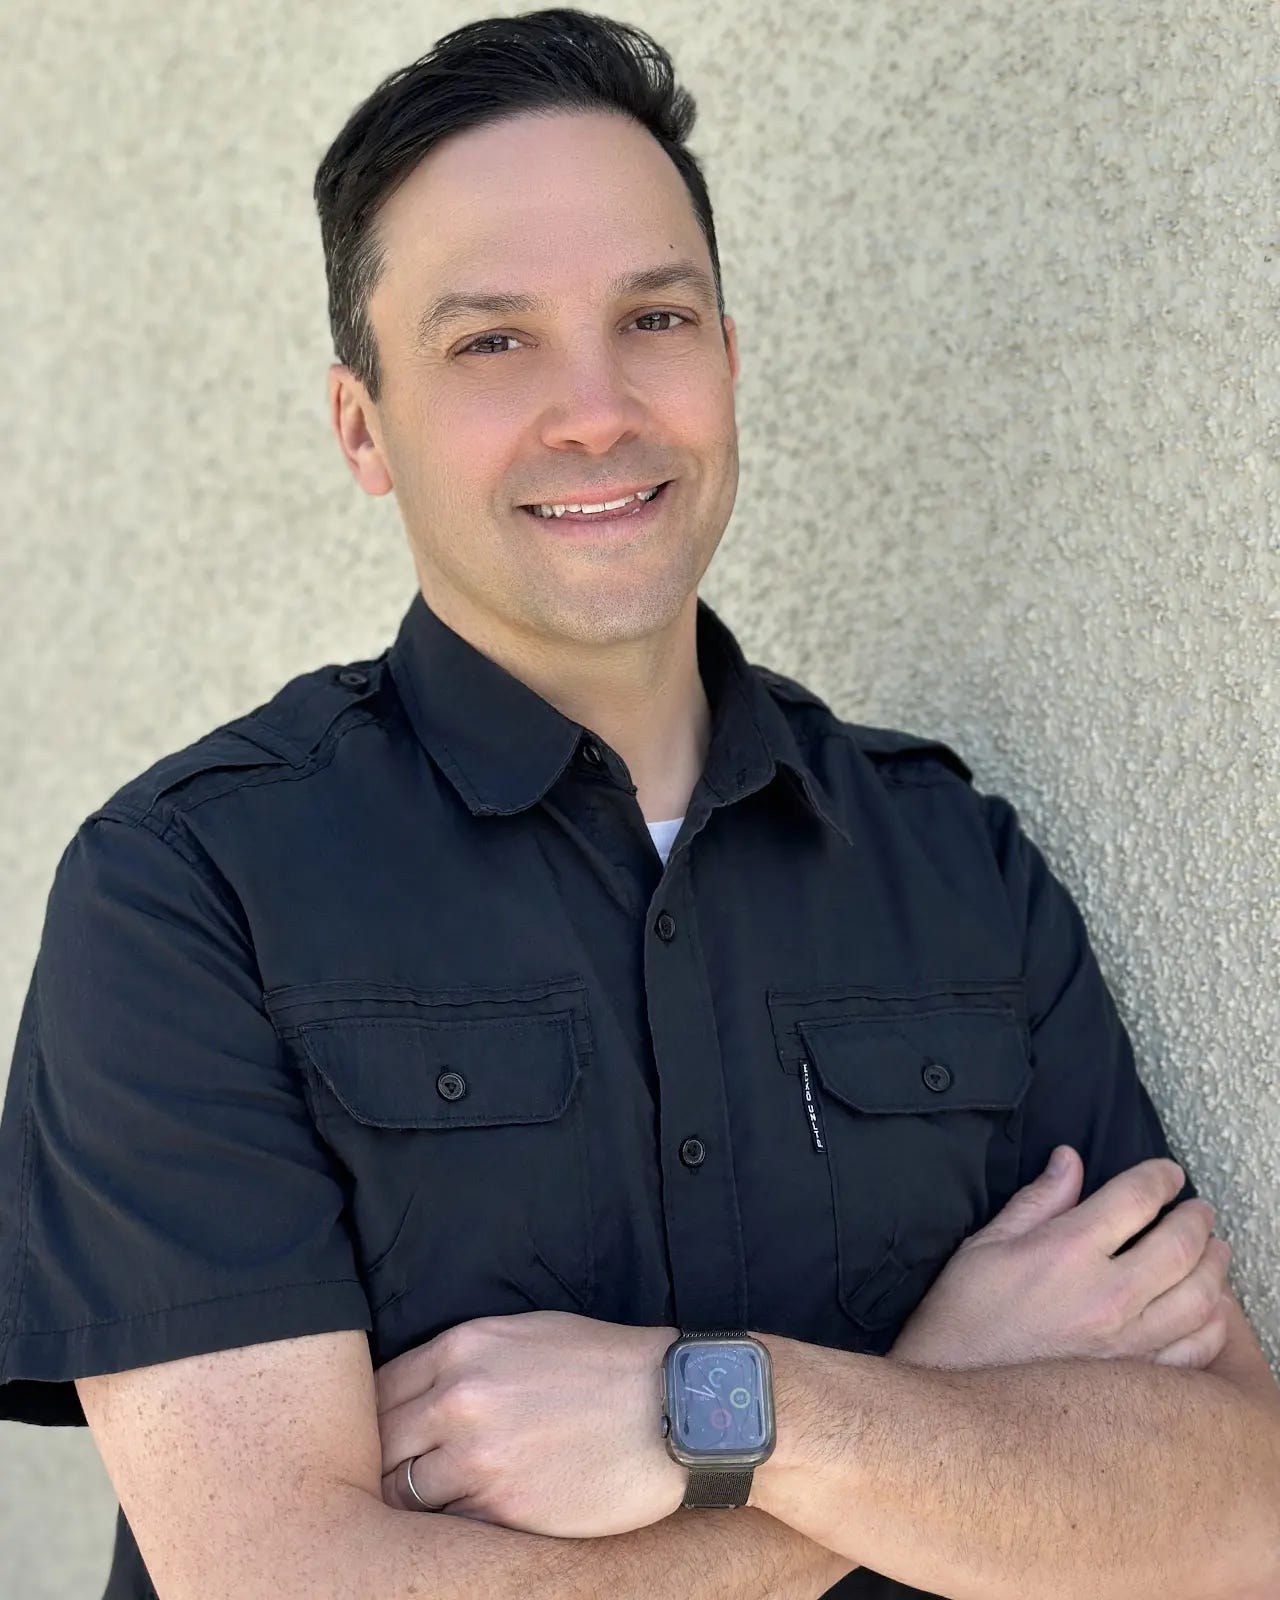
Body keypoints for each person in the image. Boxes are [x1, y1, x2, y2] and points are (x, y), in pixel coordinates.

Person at [1, 9, 1276, 1598]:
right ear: (363, 429)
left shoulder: (956, 868)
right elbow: (278, 1579)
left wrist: (745, 1411)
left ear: (728, 363)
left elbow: (1240, 1507)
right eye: (492, 343)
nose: (597, 409)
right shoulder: (191, 894)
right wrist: (927, 1403)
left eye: (655, 318)